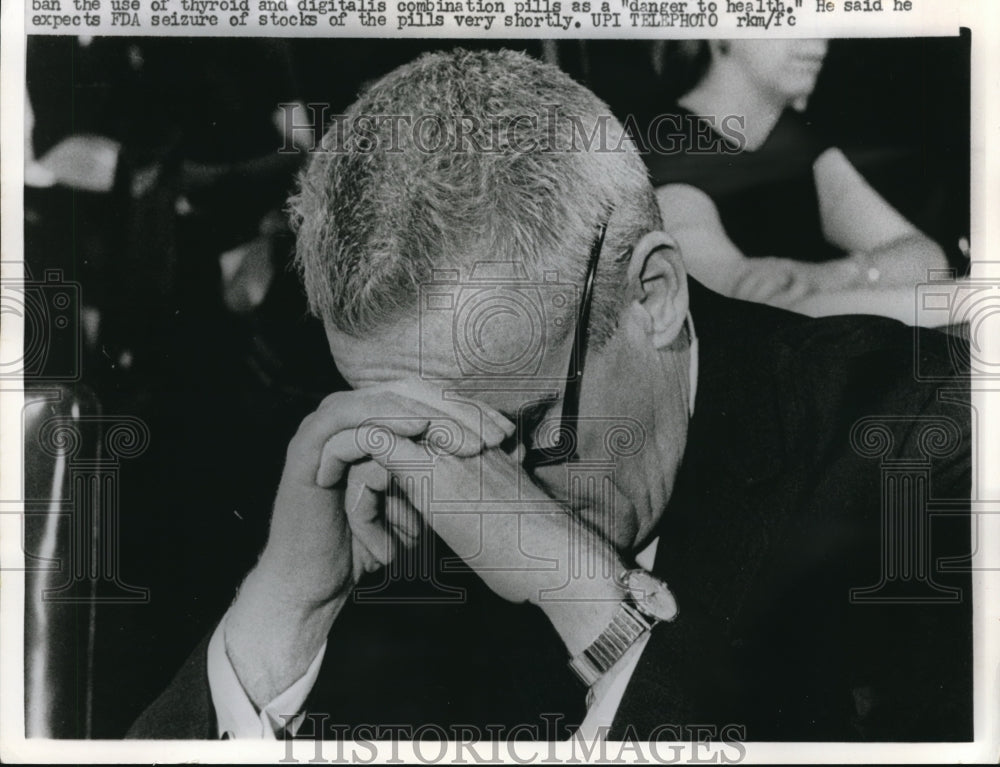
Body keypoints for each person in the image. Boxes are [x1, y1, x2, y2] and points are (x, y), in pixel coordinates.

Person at [129, 49, 971, 742]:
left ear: (653, 294)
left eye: (521, 427)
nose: (472, 496)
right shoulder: (378, 507)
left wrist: (594, 606)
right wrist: (286, 611)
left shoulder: (926, 442)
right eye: (416, 435)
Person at [635, 39, 949, 312]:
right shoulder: (664, 148)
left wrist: (832, 276)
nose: (818, 41)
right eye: (789, 16)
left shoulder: (797, 144)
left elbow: (927, 258)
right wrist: (866, 273)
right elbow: (743, 301)